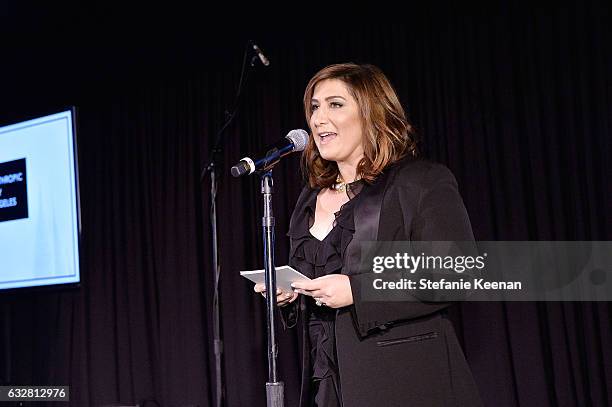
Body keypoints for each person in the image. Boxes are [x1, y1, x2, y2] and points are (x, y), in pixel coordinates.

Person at [255, 63, 482, 407]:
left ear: (371, 113)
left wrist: (358, 290)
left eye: (335, 104)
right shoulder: (309, 198)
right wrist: (289, 292)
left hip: (406, 382)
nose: (318, 118)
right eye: (314, 107)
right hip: (328, 382)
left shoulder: (419, 181)